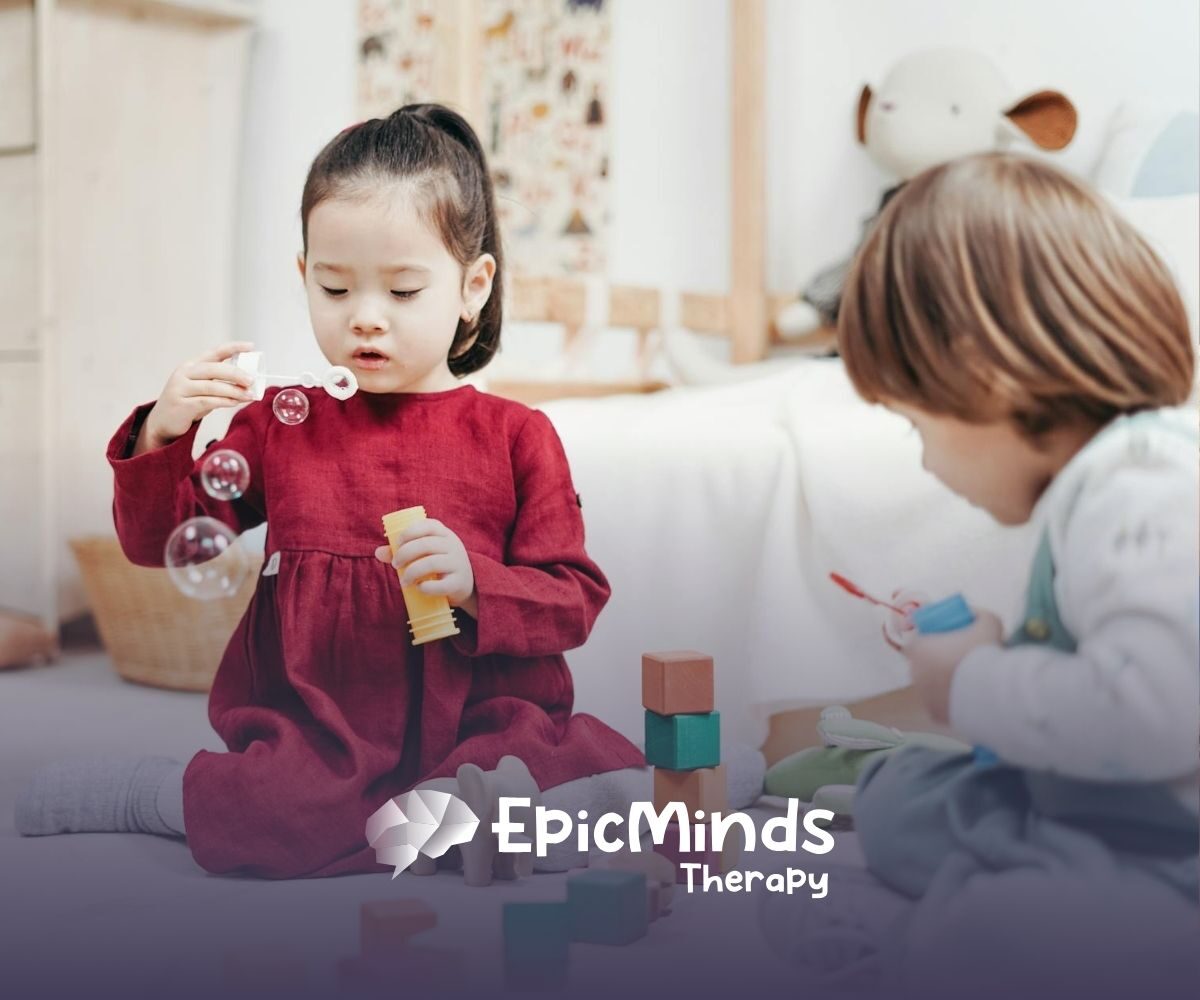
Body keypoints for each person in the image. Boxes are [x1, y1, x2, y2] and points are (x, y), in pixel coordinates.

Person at [15, 104, 648, 878]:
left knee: (558, 767)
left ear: (472, 287)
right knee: (278, 813)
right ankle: (158, 797)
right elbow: (158, 543)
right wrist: (162, 434)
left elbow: (572, 599)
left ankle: (553, 804)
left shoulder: (518, 435)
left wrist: (475, 584)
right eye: (336, 287)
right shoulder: (282, 426)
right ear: (304, 275)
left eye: (404, 291)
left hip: (482, 721)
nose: (365, 320)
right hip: (331, 733)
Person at [763, 152, 1198, 998]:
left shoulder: (1140, 485)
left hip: (1169, 848)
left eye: (915, 425)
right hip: (1104, 811)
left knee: (997, 927)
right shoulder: (1104, 487)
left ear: (983, 376)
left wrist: (972, 680)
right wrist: (986, 645)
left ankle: (914, 942)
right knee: (900, 797)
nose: (925, 462)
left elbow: (1155, 715)